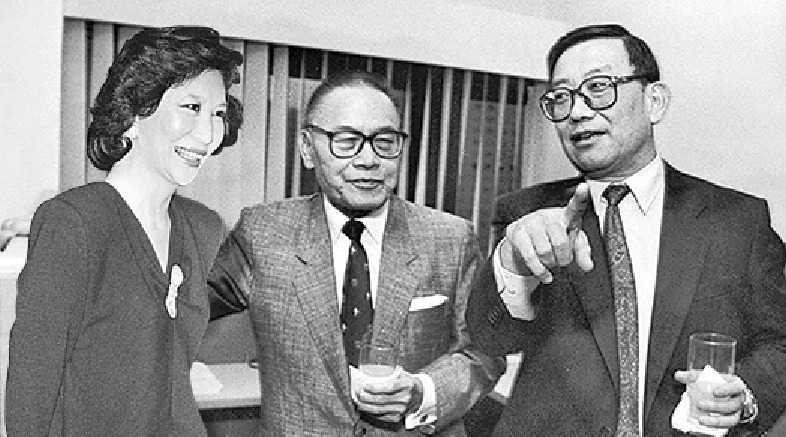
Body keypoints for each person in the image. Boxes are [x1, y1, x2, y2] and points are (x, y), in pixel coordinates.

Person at [466, 24, 786, 436]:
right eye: (561, 97)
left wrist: (745, 397)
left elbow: (780, 343)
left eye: (598, 88)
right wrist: (512, 263)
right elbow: (490, 340)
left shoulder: (736, 220)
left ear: (655, 101)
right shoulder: (528, 214)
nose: (577, 112)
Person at [207, 70, 505, 436]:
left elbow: (484, 353)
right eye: (346, 141)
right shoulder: (263, 233)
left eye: (384, 142)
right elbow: (177, 303)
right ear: (307, 148)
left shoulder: (451, 239)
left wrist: (422, 392)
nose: (368, 160)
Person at [6, 25, 243, 436]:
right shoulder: (75, 224)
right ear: (134, 113)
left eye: (218, 114)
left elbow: (171, 381)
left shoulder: (203, 227)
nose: (207, 134)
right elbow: (31, 397)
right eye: (191, 107)